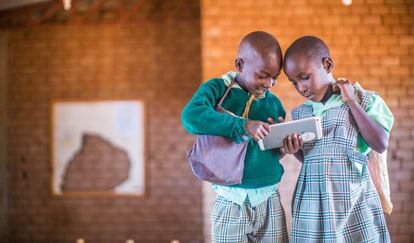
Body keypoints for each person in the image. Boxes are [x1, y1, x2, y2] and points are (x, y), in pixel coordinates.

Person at [282, 35, 393, 243]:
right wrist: (294, 148)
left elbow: (379, 143)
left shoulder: (362, 99)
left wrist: (351, 101)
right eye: (294, 83)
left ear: (327, 64)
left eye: (304, 77)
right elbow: (313, 159)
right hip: (312, 201)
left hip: (352, 199)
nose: (301, 88)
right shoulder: (302, 113)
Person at [182, 31, 288, 242]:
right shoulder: (217, 89)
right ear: (239, 65)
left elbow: (274, 153)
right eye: (262, 75)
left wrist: (285, 148)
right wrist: (242, 125)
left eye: (274, 77)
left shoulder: (274, 104)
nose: (269, 84)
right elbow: (191, 117)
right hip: (230, 199)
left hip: (270, 198)